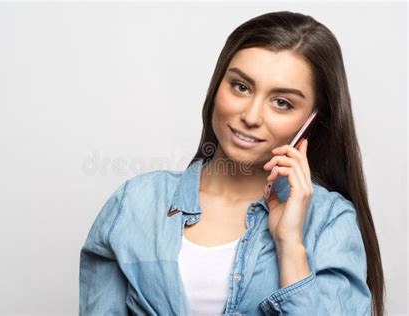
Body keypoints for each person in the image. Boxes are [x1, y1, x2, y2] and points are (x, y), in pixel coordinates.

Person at [79, 10, 385, 315]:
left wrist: (290, 245)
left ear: (311, 122)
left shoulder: (331, 222)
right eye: (241, 86)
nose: (250, 117)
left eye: (282, 102)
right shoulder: (134, 204)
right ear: (217, 85)